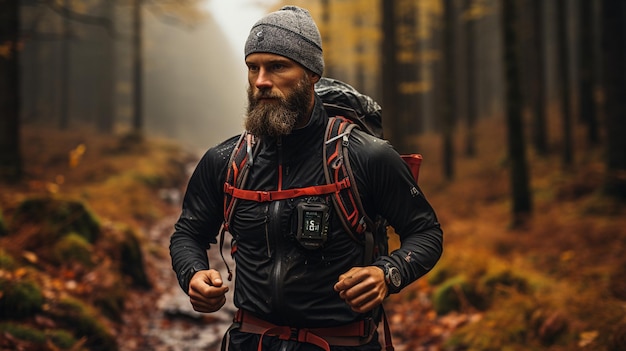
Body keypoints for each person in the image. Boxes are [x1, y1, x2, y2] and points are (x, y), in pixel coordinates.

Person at [170, 5, 443, 351]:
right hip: (250, 342)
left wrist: (388, 273)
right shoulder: (225, 161)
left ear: (312, 73)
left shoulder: (365, 156)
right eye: (253, 67)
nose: (261, 81)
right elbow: (188, 233)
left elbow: (426, 232)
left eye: (277, 66)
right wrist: (192, 273)